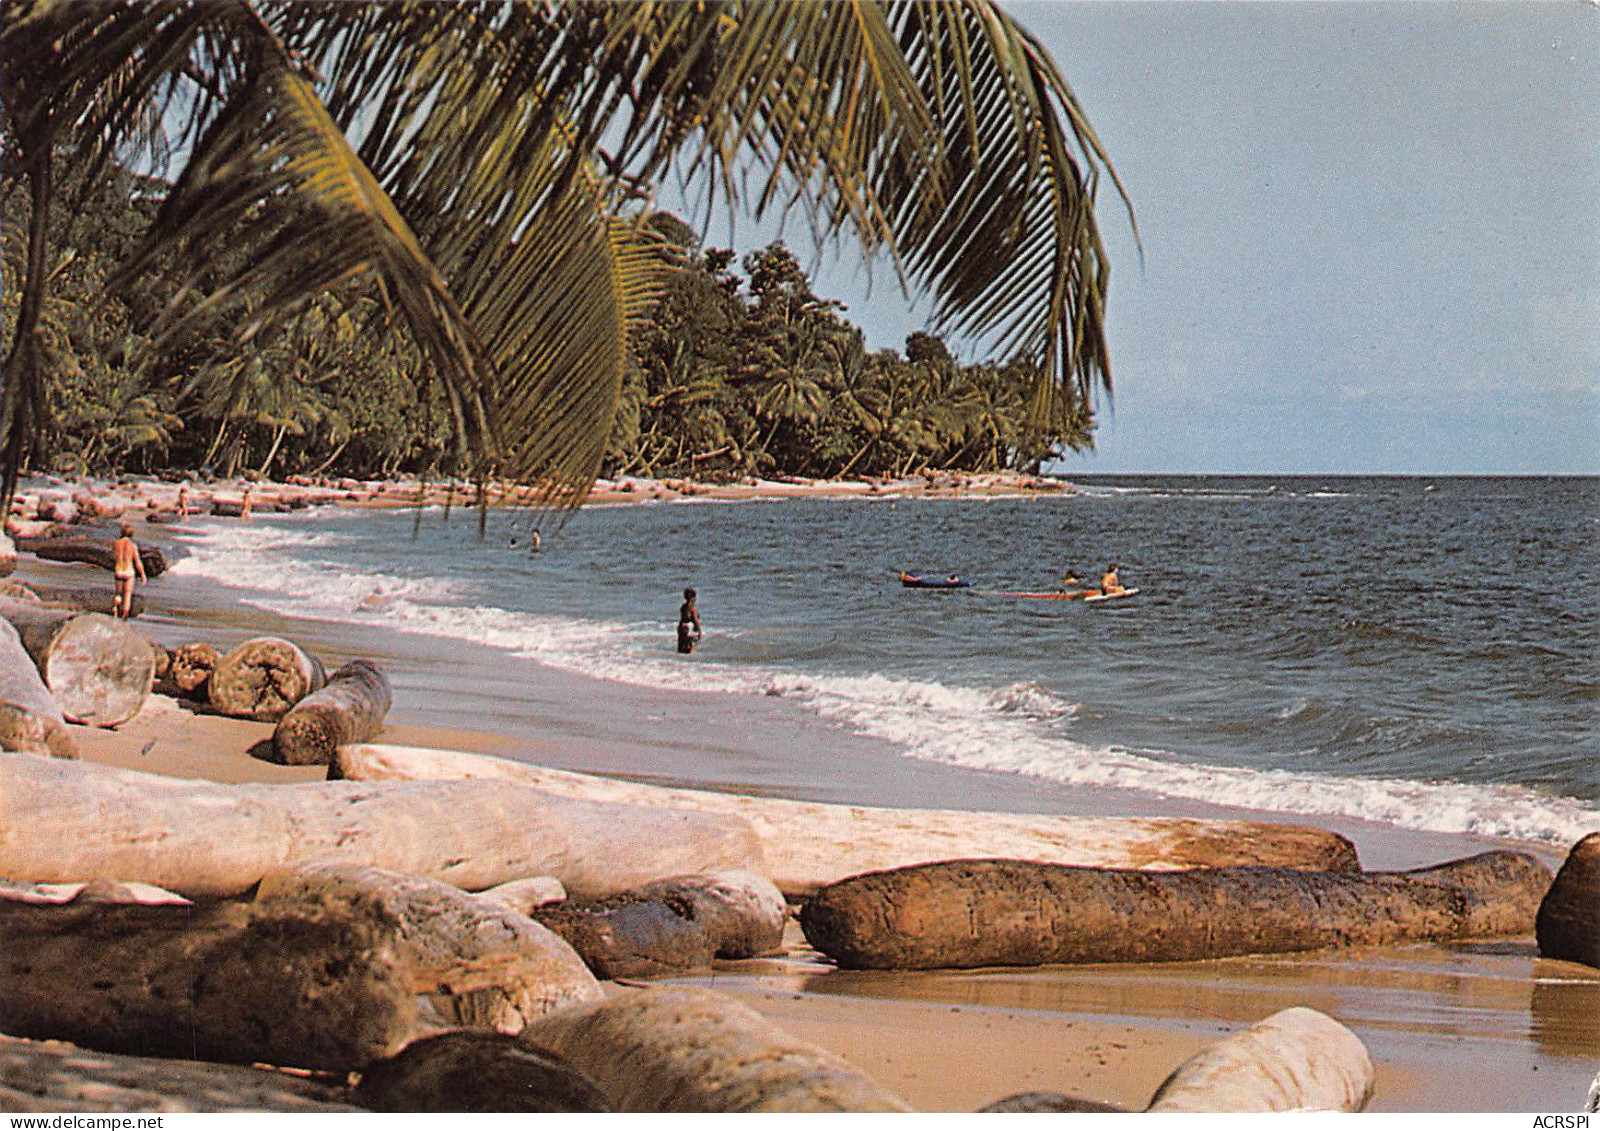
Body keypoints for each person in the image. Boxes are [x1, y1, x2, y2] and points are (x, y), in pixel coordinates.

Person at [110, 523, 147, 619]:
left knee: (118, 593)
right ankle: (124, 616)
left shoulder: (116, 544)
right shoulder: (133, 546)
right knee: (127, 595)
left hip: (119, 570)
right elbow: (138, 562)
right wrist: (143, 575)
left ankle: (115, 610)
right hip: (129, 572)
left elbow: (114, 556)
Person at [677, 587, 702, 654]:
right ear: (693, 597)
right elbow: (695, 620)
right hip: (689, 628)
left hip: (681, 627)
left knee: (681, 648)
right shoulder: (693, 608)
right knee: (691, 650)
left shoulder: (683, 607)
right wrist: (699, 632)